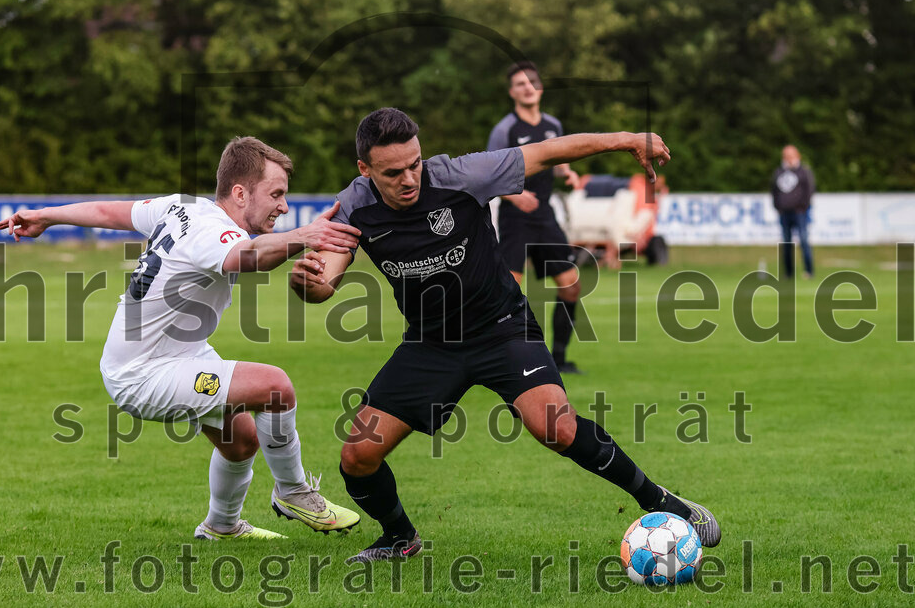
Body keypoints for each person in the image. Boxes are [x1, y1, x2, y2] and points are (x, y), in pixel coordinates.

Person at [290, 108, 721, 563]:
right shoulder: (355, 204)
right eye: (392, 172)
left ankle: (663, 502)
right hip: (431, 344)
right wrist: (309, 284)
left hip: (501, 327)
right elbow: (325, 281)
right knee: (357, 457)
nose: (409, 178)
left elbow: (549, 151)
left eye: (414, 163)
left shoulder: (461, 176)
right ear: (365, 169)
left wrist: (626, 137)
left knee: (556, 426)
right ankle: (400, 538)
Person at [0, 137, 362, 540]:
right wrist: (305, 236)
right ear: (240, 193)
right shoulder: (210, 231)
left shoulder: (183, 206)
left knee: (241, 442)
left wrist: (47, 216)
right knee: (276, 388)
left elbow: (107, 210)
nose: (284, 206)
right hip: (146, 374)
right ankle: (293, 492)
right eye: (275, 194)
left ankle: (221, 527)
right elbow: (249, 257)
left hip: (175, 356)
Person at [488, 61, 583, 374]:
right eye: (520, 83)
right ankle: (509, 360)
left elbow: (557, 160)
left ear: (539, 88)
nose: (527, 87)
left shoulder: (553, 125)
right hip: (516, 219)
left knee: (571, 285)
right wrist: (514, 195)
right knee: (510, 292)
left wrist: (568, 172)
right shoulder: (505, 130)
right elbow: (488, 175)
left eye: (532, 82)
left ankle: (559, 358)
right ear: (511, 92)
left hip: (544, 216)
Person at [770, 144, 815, 279]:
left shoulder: (804, 171)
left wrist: (803, 206)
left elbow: (809, 189)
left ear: (797, 156)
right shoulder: (779, 172)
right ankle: (788, 273)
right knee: (786, 243)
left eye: (790, 155)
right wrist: (778, 207)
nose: (788, 158)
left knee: (804, 240)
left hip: (799, 212)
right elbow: (774, 191)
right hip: (784, 213)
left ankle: (809, 271)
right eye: (786, 155)